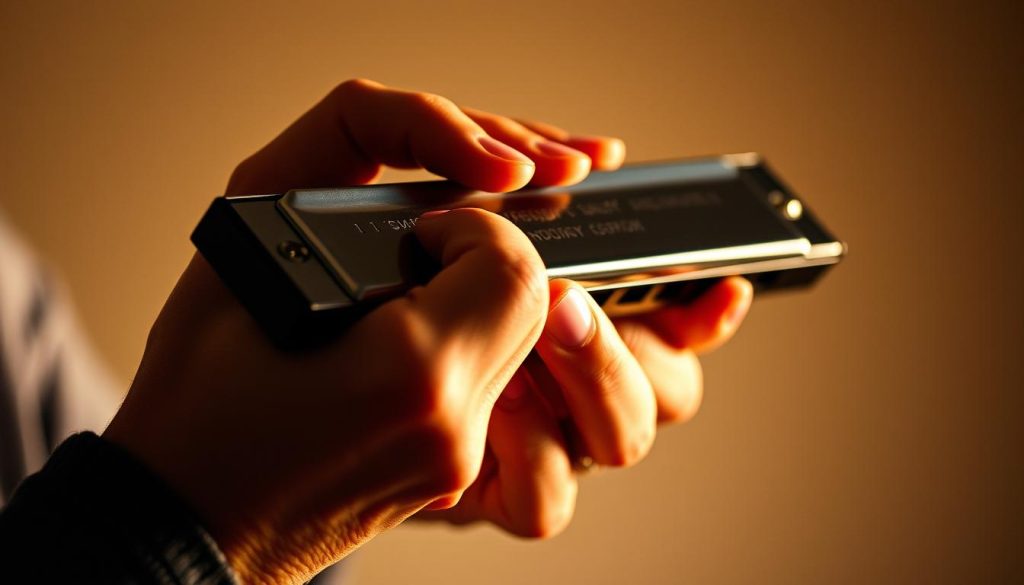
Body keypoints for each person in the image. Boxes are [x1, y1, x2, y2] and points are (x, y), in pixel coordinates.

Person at [0, 79, 752, 584]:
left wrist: (340, 486)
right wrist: (211, 529)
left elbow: (113, 484)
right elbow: (154, 495)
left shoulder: (15, 302)